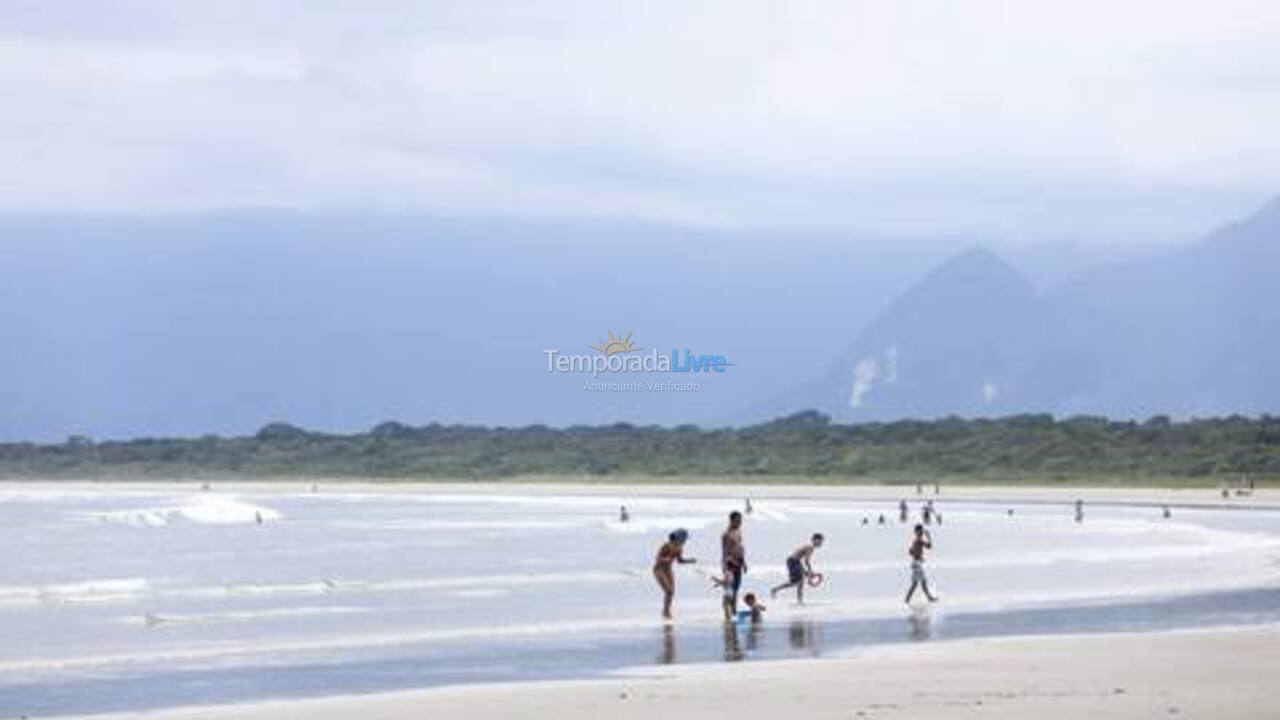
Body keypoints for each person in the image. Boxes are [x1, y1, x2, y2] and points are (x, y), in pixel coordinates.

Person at [653, 528, 696, 619]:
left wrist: (690, 561)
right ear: (678, 537)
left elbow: (680, 561)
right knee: (668, 590)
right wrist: (666, 559)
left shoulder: (680, 548)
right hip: (659, 569)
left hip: (668, 570)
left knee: (671, 592)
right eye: (684, 538)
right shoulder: (667, 545)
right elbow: (657, 558)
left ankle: (667, 611)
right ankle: (665, 612)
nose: (685, 540)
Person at [771, 533, 824, 604]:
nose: (821, 543)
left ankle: (799, 600)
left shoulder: (810, 547)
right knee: (798, 582)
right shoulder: (810, 547)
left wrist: (808, 573)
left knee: (797, 582)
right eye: (820, 541)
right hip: (793, 561)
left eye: (822, 542)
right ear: (815, 540)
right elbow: (806, 561)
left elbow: (803, 561)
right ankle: (798, 601)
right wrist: (811, 571)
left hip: (795, 562)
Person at [720, 511, 747, 621]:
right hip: (729, 562)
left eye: (740, 520)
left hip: (739, 561)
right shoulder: (726, 534)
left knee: (736, 588)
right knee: (729, 589)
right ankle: (727, 612)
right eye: (738, 520)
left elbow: (740, 547)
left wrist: (744, 562)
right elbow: (724, 551)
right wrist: (726, 564)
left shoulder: (738, 531)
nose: (740, 522)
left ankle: (733, 610)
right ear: (731, 520)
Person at [904, 524, 938, 604]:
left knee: (917, 583)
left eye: (921, 531)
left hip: (916, 563)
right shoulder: (919, 540)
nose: (922, 532)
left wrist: (918, 556)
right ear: (917, 532)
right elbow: (929, 546)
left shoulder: (916, 540)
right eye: (920, 531)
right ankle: (929, 598)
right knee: (921, 582)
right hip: (917, 564)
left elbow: (910, 552)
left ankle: (907, 599)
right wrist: (929, 537)